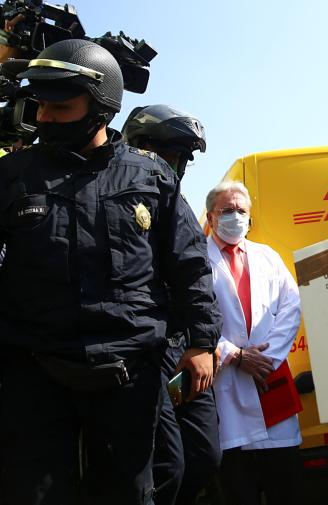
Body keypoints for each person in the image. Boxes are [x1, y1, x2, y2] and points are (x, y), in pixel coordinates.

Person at [0, 39, 221, 504]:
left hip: (129, 375)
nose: (44, 117)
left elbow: (189, 265)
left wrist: (202, 343)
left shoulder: (151, 177)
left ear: (101, 107)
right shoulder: (12, 175)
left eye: (60, 106)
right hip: (35, 370)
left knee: (135, 490)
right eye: (40, 105)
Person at [121, 104, 219, 505]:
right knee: (163, 468)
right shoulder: (115, 197)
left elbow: (196, 277)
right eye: (168, 154)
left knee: (204, 456)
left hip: (184, 350)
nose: (173, 165)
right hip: (141, 352)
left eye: (181, 158)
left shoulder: (177, 206)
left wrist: (201, 344)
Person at [206, 181, 303, 505]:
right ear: (210, 216)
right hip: (225, 386)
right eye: (227, 211)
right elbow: (188, 317)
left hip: (269, 379)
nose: (235, 216)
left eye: (241, 211)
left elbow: (292, 305)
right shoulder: (195, 260)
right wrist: (233, 354)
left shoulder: (267, 257)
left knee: (285, 485)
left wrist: (268, 357)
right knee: (238, 489)